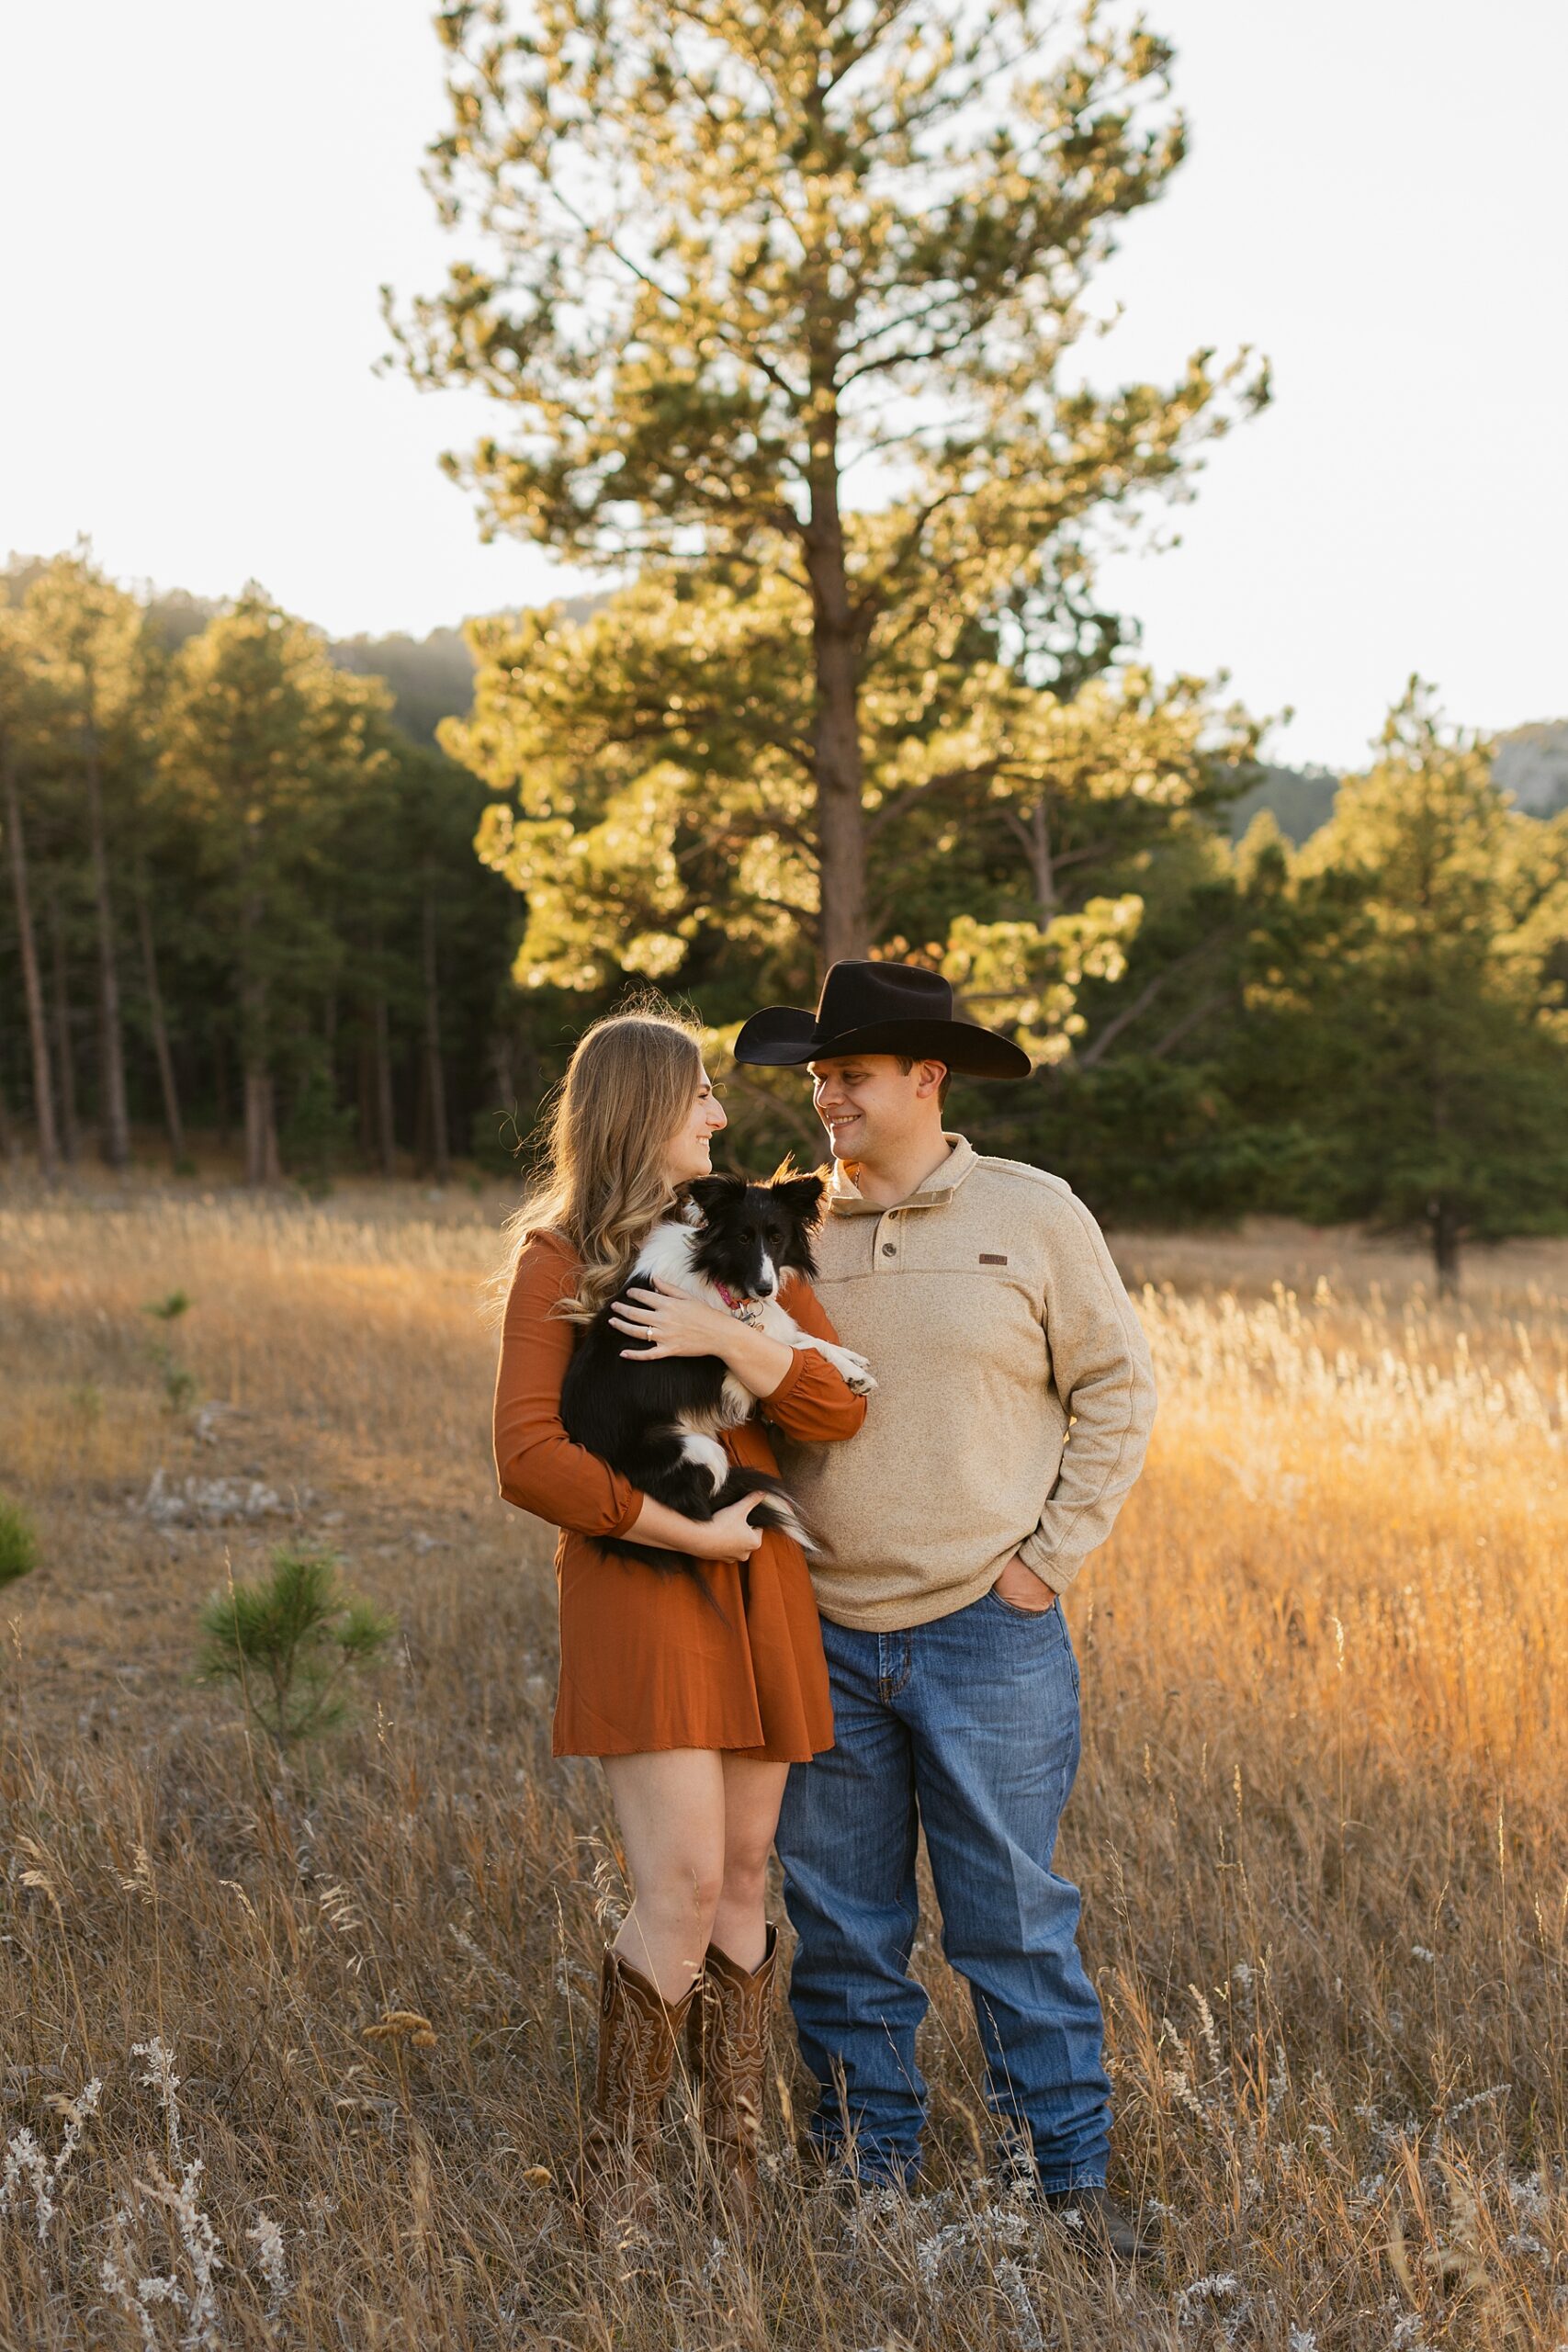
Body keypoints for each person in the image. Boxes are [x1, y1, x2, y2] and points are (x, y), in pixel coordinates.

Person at [733, 959, 1158, 2260]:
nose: (828, 1101)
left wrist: (1044, 1564)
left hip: (989, 1628)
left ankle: (1070, 2192)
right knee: (847, 1934)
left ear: (927, 1078)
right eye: (817, 1081)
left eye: (850, 1077)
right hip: (824, 1633)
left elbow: (1119, 1392)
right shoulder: (782, 1224)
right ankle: (869, 2182)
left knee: (1013, 1925)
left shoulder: (1034, 1215)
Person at [491, 1008, 867, 2223]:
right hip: (649, 1581)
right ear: (646, 1106)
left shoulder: (744, 1233)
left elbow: (833, 1410)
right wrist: (686, 1531)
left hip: (757, 1585)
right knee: (685, 1884)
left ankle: (733, 2180)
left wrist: (718, 1334)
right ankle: (613, 2192)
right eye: (701, 1092)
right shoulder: (560, 1257)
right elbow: (529, 1458)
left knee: (749, 1870)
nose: (719, 1112)